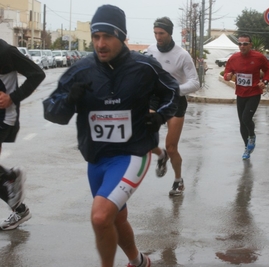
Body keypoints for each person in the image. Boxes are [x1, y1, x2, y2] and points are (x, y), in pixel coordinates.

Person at [42, 5, 179, 267]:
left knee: (100, 216)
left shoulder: (144, 67)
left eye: (107, 36)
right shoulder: (81, 70)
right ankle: (139, 261)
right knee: (116, 219)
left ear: (122, 36)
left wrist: (161, 115)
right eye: (95, 37)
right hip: (96, 159)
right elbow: (52, 112)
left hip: (132, 154)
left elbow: (172, 92)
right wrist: (69, 101)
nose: (100, 44)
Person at [146, 17, 200, 196]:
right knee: (144, 136)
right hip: (155, 99)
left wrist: (174, 89)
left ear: (169, 33)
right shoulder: (151, 50)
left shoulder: (182, 55)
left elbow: (195, 83)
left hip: (176, 100)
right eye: (155, 33)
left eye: (161, 33)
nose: (158, 37)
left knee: (172, 147)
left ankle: (178, 180)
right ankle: (161, 155)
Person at [0, 39, 45, 230]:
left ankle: (11, 179)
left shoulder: (5, 52)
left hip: (3, 118)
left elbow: (37, 74)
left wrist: (12, 97)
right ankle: (11, 180)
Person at [223, 33, 269, 160]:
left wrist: (265, 81)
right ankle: (247, 147)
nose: (242, 46)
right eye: (240, 44)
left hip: (254, 93)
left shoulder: (258, 57)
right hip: (240, 94)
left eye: (245, 44)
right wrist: (227, 76)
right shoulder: (234, 58)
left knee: (246, 118)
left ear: (250, 45)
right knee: (242, 122)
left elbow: (268, 70)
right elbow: (227, 72)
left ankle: (252, 136)